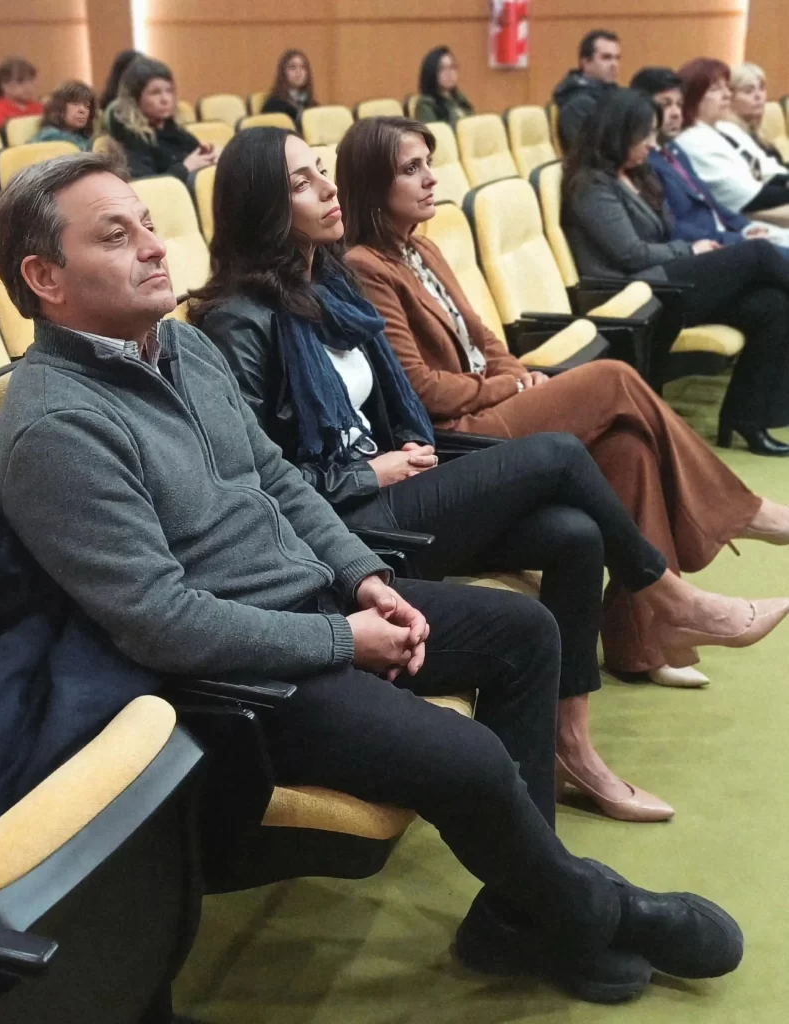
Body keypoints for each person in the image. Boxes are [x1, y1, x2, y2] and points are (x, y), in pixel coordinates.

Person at [0, 150, 744, 1005]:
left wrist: (362, 578)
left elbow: (276, 479)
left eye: (150, 225)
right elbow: (160, 621)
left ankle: (522, 916)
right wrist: (343, 638)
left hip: (315, 601)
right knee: (468, 758)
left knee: (525, 634)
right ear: (44, 277)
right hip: (242, 679)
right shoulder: (54, 427)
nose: (156, 247)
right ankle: (594, 909)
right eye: (117, 236)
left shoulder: (182, 347)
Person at [189, 126, 789, 821]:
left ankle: (573, 749)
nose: (327, 188)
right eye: (301, 182)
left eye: (321, 170)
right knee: (563, 451)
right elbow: (258, 483)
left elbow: (403, 397)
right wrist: (369, 474)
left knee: (573, 534)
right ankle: (671, 598)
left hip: (400, 477)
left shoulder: (328, 284)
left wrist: (404, 447)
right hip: (345, 525)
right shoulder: (237, 321)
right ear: (262, 204)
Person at [335, 113, 789, 681]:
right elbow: (421, 389)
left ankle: (642, 641)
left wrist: (517, 372)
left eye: (429, 163)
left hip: (492, 400)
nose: (430, 178)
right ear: (372, 182)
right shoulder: (365, 266)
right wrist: (510, 385)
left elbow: (484, 339)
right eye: (411, 169)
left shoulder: (422, 250)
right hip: (457, 432)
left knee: (627, 447)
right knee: (612, 378)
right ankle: (743, 514)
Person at [562, 88, 789, 455]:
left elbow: (663, 234)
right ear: (619, 133)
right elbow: (631, 254)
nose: (652, 144)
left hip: (661, 279)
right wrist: (690, 250)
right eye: (645, 135)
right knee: (759, 254)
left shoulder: (637, 175)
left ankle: (747, 418)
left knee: (771, 304)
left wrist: (695, 248)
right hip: (632, 295)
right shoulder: (590, 186)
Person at [630, 67, 789, 252]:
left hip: (731, 231)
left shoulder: (674, 150)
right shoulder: (646, 161)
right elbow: (674, 226)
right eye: (665, 105)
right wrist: (739, 238)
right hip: (709, 246)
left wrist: (746, 228)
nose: (676, 113)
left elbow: (711, 202)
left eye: (679, 105)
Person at [675, 58, 789, 226]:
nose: (727, 95)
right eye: (716, 89)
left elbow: (769, 172)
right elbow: (751, 197)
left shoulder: (725, 128)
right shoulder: (692, 141)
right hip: (742, 222)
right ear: (694, 96)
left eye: (726, 88)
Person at [107, 56, 215, 181]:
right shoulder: (129, 139)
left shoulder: (176, 132)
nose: (165, 99)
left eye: (169, 91)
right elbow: (146, 184)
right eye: (155, 93)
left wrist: (208, 158)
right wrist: (185, 168)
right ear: (135, 99)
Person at [552, 29, 620, 152]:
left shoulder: (614, 94)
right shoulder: (576, 104)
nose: (614, 64)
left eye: (617, 58)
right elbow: (585, 154)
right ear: (586, 62)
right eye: (606, 58)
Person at [724, 62, 789, 171]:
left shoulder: (758, 136)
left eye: (762, 88)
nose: (759, 96)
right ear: (730, 98)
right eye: (748, 91)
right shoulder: (729, 139)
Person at [415, 47, 474, 126]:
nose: (449, 73)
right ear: (432, 72)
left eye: (452, 67)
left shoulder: (460, 98)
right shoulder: (426, 104)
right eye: (442, 69)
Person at [0, 57, 44, 130]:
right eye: (20, 81)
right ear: (4, 85)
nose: (28, 86)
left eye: (30, 80)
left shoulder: (38, 107)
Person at [32, 80, 95, 151]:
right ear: (59, 107)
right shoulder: (49, 136)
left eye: (87, 105)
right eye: (75, 104)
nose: (82, 110)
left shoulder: (85, 139)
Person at [262, 50, 318, 121]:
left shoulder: (312, 105)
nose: (298, 72)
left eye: (303, 67)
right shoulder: (273, 105)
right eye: (292, 67)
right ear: (283, 73)